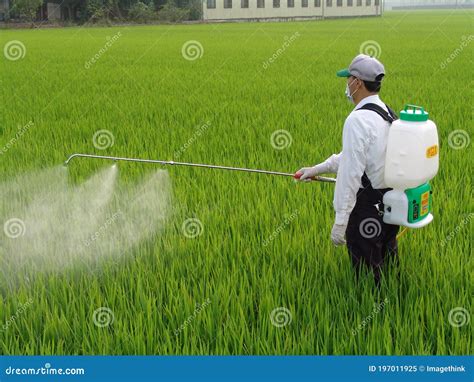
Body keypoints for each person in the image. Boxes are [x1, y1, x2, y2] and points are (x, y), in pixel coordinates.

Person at [296, 54, 399, 286]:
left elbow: (351, 174)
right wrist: (317, 169)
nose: (346, 85)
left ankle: (371, 312)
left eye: (348, 79)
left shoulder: (358, 120)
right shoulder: (386, 112)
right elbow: (355, 156)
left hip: (366, 209)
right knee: (388, 260)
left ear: (358, 83)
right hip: (390, 201)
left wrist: (341, 221)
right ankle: (395, 301)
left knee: (366, 276)